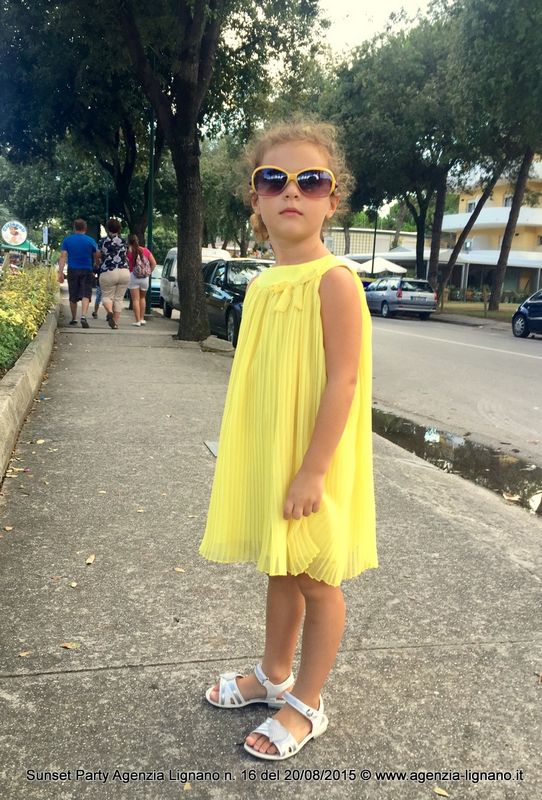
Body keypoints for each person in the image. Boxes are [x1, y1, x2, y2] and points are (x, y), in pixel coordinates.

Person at [199, 120, 378, 760]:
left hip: (313, 459)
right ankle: (273, 676)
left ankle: (307, 701)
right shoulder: (261, 283)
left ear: (334, 200)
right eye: (274, 179)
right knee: (280, 565)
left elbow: (344, 381)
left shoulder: (335, 280)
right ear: (256, 200)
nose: (292, 191)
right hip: (274, 452)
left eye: (312, 180)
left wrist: (312, 470)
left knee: (315, 577)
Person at [58, 219, 98, 328]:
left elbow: (63, 257)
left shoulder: (67, 240)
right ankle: (83, 316)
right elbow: (96, 255)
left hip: (72, 269)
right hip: (87, 269)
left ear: (74, 228)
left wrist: (60, 273)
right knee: (86, 293)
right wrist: (96, 264)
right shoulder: (90, 240)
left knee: (73, 294)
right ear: (85, 228)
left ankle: (74, 318)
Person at [96, 219, 130, 330]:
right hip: (124, 271)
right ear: (119, 229)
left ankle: (109, 312)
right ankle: (115, 323)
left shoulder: (102, 241)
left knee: (107, 296)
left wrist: (98, 264)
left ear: (107, 228)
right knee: (119, 299)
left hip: (108, 270)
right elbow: (127, 254)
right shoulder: (124, 241)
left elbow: (97, 255)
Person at [126, 234, 156, 327]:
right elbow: (154, 263)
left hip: (133, 276)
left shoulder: (128, 252)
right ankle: (142, 319)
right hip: (145, 278)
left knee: (135, 299)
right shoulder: (145, 250)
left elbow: (126, 264)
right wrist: (147, 273)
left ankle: (137, 320)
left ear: (128, 242)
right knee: (142, 298)